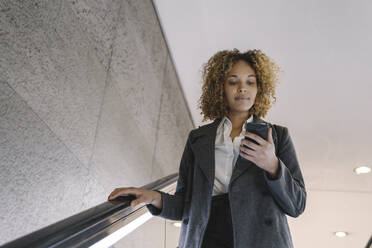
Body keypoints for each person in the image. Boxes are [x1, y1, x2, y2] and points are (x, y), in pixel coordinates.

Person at [108, 49, 306, 248]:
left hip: (260, 240)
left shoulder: (278, 136)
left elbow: (297, 205)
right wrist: (152, 197)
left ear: (259, 88)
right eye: (233, 81)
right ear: (220, 88)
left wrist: (272, 166)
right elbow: (185, 205)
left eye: (250, 82)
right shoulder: (198, 139)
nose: (242, 88)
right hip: (206, 237)